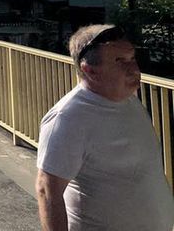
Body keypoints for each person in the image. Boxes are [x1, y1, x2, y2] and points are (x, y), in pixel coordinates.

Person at [36, 25, 174, 231]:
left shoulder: (128, 99)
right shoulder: (68, 118)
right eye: (119, 61)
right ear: (90, 70)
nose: (133, 69)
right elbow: (47, 191)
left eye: (132, 58)